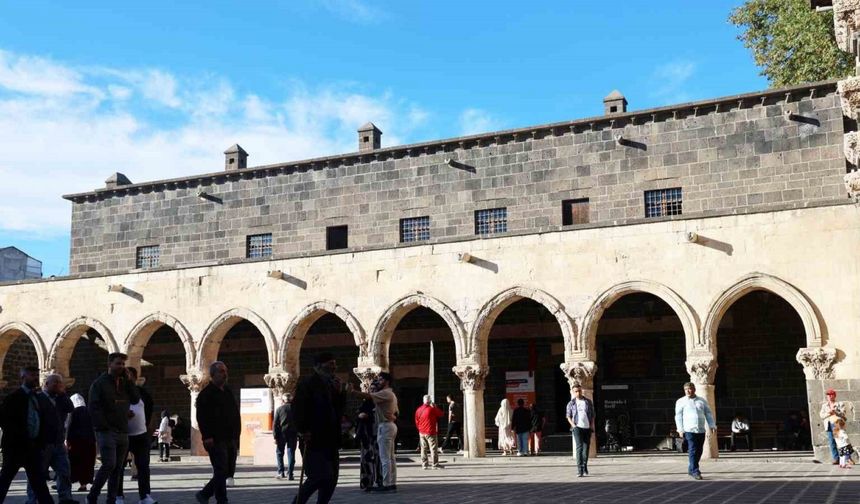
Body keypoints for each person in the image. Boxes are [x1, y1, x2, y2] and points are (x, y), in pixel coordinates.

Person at [292, 352, 348, 503]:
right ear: (318, 366)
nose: (333, 367)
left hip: (331, 439)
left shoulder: (332, 384)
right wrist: (303, 430)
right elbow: (298, 409)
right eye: (330, 364)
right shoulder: (307, 384)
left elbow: (338, 410)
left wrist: (340, 393)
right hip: (313, 439)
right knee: (319, 476)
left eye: (334, 364)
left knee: (331, 479)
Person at [87, 352, 140, 504]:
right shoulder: (99, 384)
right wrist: (103, 426)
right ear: (109, 364)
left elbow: (135, 399)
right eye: (118, 363)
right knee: (109, 464)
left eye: (123, 364)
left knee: (118, 468)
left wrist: (130, 382)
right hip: (107, 431)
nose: (121, 367)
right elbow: (94, 407)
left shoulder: (125, 383)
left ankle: (111, 499)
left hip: (123, 430)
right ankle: (92, 495)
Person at [0, 366, 55, 504]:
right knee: (4, 481)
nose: (35, 377)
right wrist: (20, 439)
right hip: (15, 448)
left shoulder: (37, 398)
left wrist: (40, 441)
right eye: (32, 375)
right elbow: (6, 422)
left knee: (40, 484)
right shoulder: (13, 398)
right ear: (23, 377)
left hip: (33, 448)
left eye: (37, 374)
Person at [195, 361, 241, 504]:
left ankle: (207, 494)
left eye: (225, 371)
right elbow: (201, 417)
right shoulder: (206, 394)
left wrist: (237, 433)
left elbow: (234, 412)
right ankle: (219, 498)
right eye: (221, 371)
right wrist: (207, 436)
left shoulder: (227, 391)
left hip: (230, 437)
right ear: (213, 374)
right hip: (215, 438)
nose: (225, 374)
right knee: (221, 470)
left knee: (227, 471)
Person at [26, 373, 76, 504]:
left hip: (58, 442)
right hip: (42, 444)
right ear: (46, 384)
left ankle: (65, 498)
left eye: (60, 383)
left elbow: (70, 408)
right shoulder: (38, 398)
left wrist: (63, 394)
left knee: (64, 472)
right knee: (37, 473)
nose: (58, 385)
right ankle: (33, 499)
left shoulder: (61, 398)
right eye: (55, 382)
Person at [352, 372, 399, 493]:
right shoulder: (391, 394)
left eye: (381, 379)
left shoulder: (385, 393)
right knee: (390, 458)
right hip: (390, 425)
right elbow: (396, 413)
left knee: (385, 458)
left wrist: (352, 391)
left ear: (387, 381)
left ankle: (386, 484)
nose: (378, 381)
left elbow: (368, 396)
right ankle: (391, 483)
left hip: (385, 426)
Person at [116, 367, 156, 504]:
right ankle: (118, 495)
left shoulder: (142, 393)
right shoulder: (117, 393)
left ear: (134, 377)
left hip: (141, 435)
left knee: (143, 466)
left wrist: (147, 427)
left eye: (129, 376)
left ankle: (145, 496)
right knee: (119, 467)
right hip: (122, 435)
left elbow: (150, 408)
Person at [674, 382, 716, 480]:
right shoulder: (681, 401)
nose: (688, 391)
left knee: (699, 450)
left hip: (701, 429)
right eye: (686, 389)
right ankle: (695, 471)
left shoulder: (702, 401)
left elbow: (708, 413)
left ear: (694, 389)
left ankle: (691, 468)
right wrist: (680, 429)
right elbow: (678, 416)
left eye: (690, 389)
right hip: (689, 429)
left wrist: (712, 425)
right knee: (692, 449)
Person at [67, 393, 96, 493]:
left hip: (76, 442)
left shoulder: (73, 412)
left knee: (73, 462)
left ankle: (66, 483)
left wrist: (67, 439)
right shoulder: (89, 412)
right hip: (89, 442)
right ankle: (83, 484)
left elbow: (69, 426)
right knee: (86, 463)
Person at [565, 384, 594, 477]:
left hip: (587, 427)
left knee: (586, 449)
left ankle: (584, 465)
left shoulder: (588, 402)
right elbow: (568, 416)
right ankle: (579, 469)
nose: (578, 393)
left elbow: (592, 415)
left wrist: (591, 425)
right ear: (573, 392)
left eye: (579, 391)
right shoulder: (571, 403)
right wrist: (574, 426)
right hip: (577, 427)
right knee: (579, 447)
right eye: (576, 391)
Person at [355, 397, 382, 491]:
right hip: (366, 436)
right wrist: (362, 415)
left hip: (379, 435)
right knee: (366, 459)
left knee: (379, 459)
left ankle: (380, 480)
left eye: (375, 390)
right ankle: (366, 482)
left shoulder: (382, 404)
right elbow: (359, 416)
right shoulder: (365, 405)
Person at [414, 395, 444, 469]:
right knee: (433, 448)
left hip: (422, 432)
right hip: (431, 432)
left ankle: (424, 464)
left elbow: (416, 421)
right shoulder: (432, 409)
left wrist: (420, 429)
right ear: (430, 401)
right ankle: (435, 464)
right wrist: (435, 407)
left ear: (423, 401)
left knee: (423, 449)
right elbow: (441, 414)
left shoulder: (418, 410)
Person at [273, 393, 298, 480]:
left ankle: (281, 472)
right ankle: (290, 473)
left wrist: (275, 436)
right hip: (293, 434)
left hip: (281, 434)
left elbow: (275, 424)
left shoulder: (279, 409)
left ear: (283, 400)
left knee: (280, 453)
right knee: (291, 453)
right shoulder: (295, 409)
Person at [820, 388, 848, 464]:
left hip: (836, 424)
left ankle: (847, 458)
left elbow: (843, 413)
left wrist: (835, 412)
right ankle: (836, 458)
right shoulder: (824, 405)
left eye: (831, 395)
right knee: (832, 442)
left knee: (841, 441)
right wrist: (829, 413)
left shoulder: (840, 404)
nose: (829, 396)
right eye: (828, 395)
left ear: (834, 396)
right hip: (828, 425)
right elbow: (822, 415)